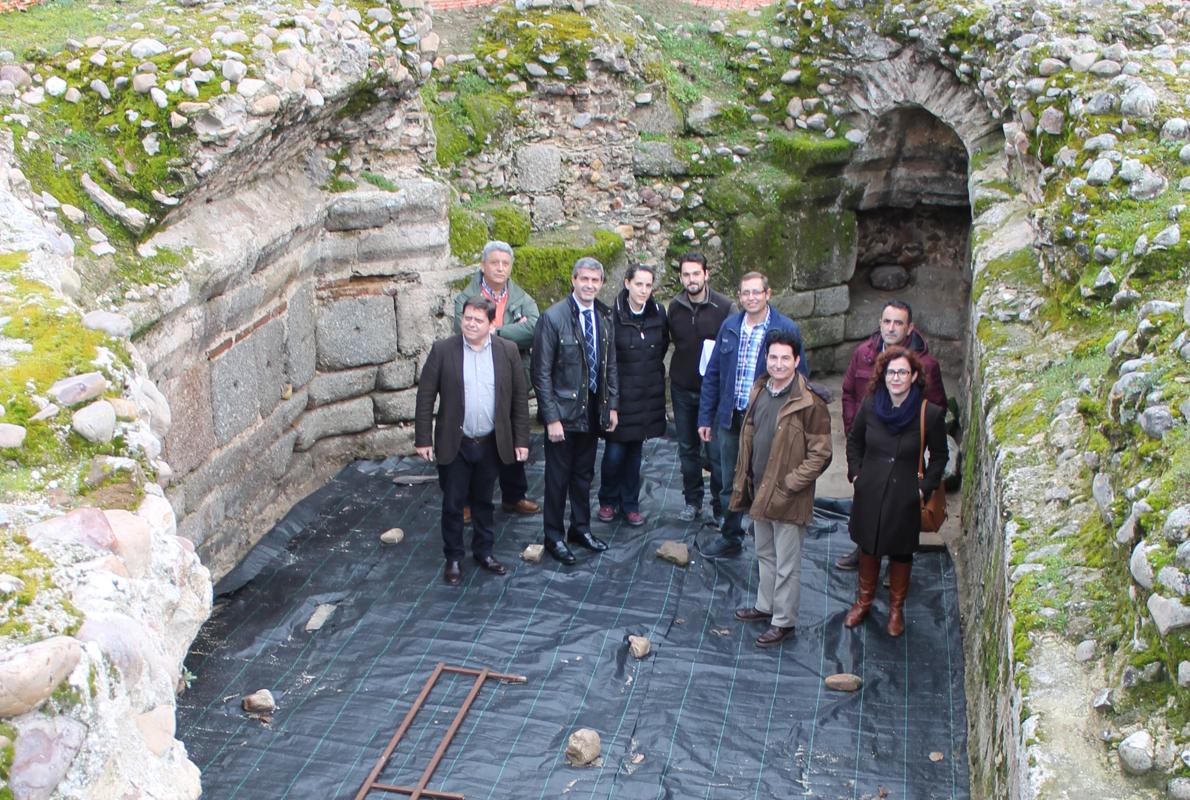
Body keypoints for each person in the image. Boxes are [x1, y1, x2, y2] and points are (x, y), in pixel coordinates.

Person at [415, 297, 530, 586]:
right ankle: (454, 558)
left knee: (484, 501)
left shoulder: (508, 351)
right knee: (453, 503)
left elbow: (518, 398)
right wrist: (423, 439)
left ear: (492, 324)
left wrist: (521, 440)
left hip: (490, 441)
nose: (470, 324)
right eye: (467, 318)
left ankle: (484, 552)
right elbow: (426, 396)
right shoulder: (444, 350)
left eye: (478, 320)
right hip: (456, 441)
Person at [730, 330, 832, 647]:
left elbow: (822, 453)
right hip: (760, 489)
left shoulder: (809, 403)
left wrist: (790, 484)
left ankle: (784, 622)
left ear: (797, 361)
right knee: (764, 552)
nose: (778, 363)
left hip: (788, 496)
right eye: (773, 357)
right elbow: (750, 432)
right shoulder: (760, 391)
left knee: (788, 563)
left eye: (785, 358)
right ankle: (765, 606)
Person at [697, 272, 808, 559]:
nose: (751, 298)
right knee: (728, 480)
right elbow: (714, 374)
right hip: (731, 418)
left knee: (765, 481)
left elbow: (801, 379)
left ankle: (767, 546)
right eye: (745, 293)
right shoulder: (730, 326)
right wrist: (705, 418)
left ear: (768, 294)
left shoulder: (785, 328)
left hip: (766, 421)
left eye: (756, 292)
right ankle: (730, 535)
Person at [843, 346, 947, 637]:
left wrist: (922, 490)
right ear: (883, 376)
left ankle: (895, 609)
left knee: (901, 552)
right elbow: (854, 442)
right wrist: (856, 474)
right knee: (868, 545)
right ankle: (863, 601)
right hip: (871, 490)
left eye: (903, 372)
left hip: (905, 495)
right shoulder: (870, 405)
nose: (896, 378)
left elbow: (940, 456)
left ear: (914, 376)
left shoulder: (930, 414)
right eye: (891, 372)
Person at [835, 300, 946, 570]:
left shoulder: (926, 365)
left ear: (910, 328)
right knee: (867, 510)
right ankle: (863, 552)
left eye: (898, 323)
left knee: (899, 517)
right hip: (872, 450)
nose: (891, 328)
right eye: (887, 321)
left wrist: (923, 481)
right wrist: (854, 427)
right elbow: (849, 392)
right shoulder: (863, 354)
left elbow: (937, 408)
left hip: (903, 457)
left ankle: (895, 566)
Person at [531, 257, 619, 565]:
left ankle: (580, 529)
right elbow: (540, 373)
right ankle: (553, 535)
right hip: (564, 415)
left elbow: (610, 365)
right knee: (557, 478)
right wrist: (551, 417)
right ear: (573, 280)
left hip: (592, 411)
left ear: (601, 284)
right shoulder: (552, 318)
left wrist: (612, 405)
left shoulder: (604, 316)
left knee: (584, 476)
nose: (590, 285)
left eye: (595, 281)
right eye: (584, 279)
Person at [453, 241, 542, 520]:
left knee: (513, 433)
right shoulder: (465, 297)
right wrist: (512, 330)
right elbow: (465, 330)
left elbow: (535, 327)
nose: (501, 268)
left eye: (505, 263)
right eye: (495, 262)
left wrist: (496, 332)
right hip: (475, 373)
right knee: (472, 440)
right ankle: (467, 501)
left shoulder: (520, 297)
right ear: (483, 266)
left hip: (510, 374)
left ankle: (513, 496)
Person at [597, 263, 669, 527]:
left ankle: (630, 504)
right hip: (620, 397)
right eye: (639, 284)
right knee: (614, 453)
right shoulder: (610, 316)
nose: (644, 290)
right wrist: (610, 403)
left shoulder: (659, 313)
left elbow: (661, 347)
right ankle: (607, 500)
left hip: (646, 397)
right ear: (627, 283)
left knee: (635, 455)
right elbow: (607, 362)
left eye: (648, 285)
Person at [666, 252, 735, 525]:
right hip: (682, 390)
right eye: (686, 274)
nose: (691, 279)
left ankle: (719, 506)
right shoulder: (675, 307)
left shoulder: (724, 307)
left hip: (714, 394)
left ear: (706, 274)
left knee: (717, 452)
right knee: (687, 450)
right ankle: (692, 502)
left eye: (696, 273)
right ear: (680, 277)